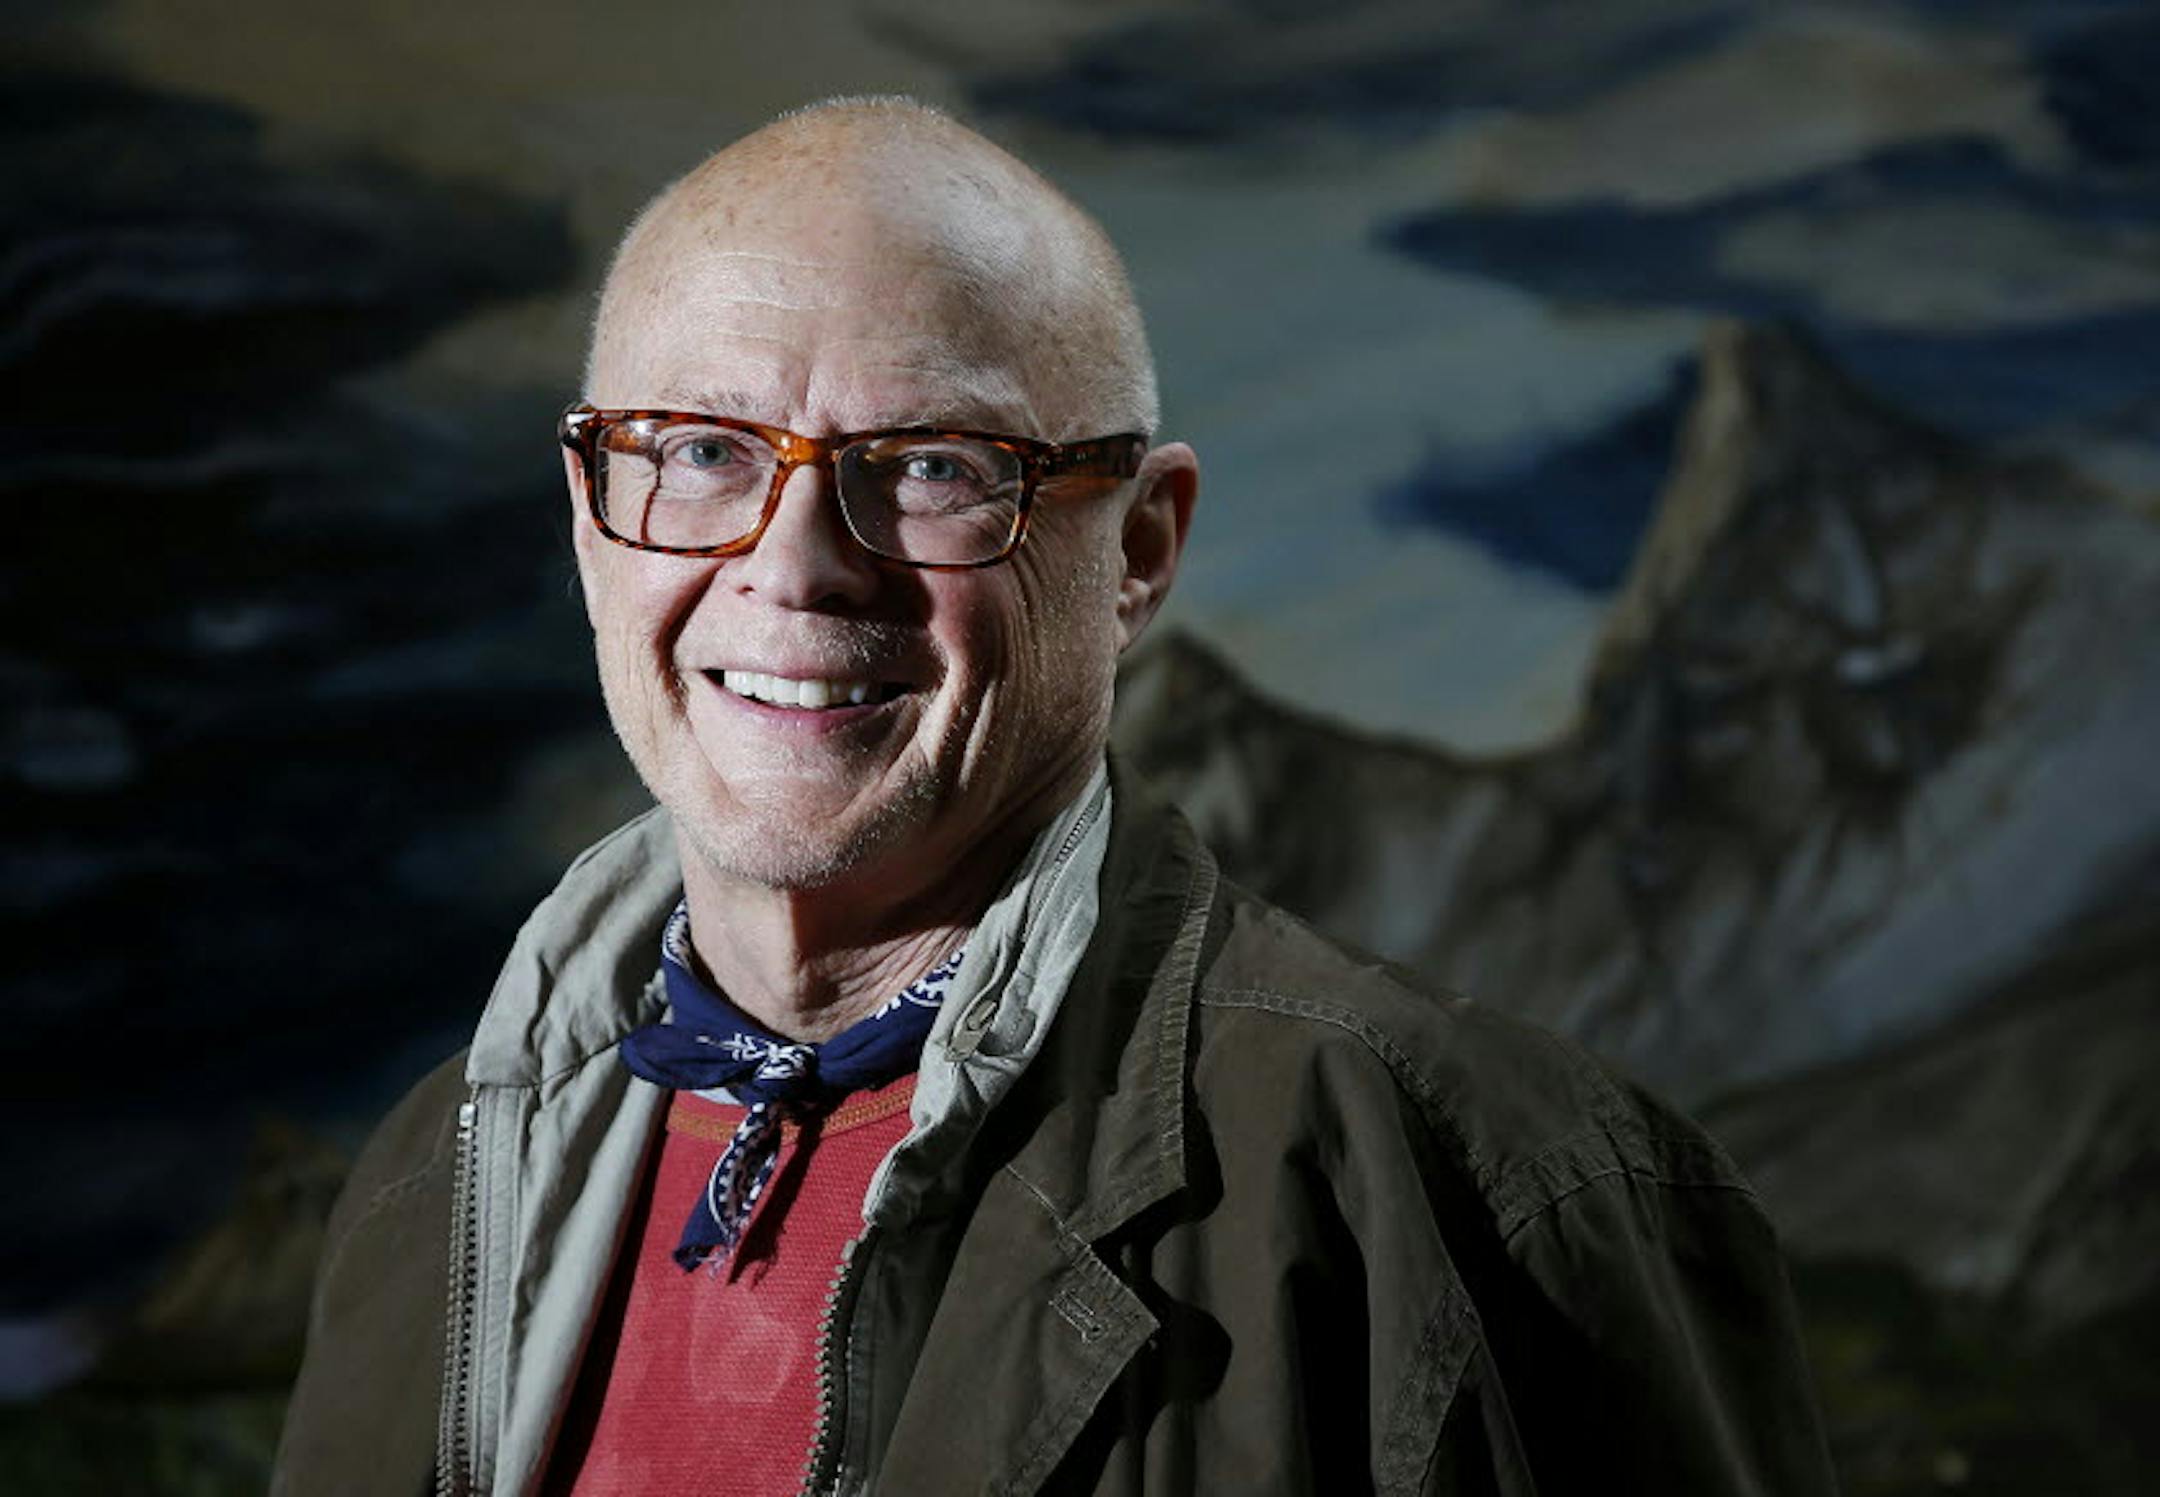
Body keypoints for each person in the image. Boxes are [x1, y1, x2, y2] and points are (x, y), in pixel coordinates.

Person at [273, 97, 1836, 1496]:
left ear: (1142, 549)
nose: (798, 563)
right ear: (590, 523)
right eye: (698, 450)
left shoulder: (1483, 1185)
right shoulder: (441, 1183)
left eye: (938, 465)